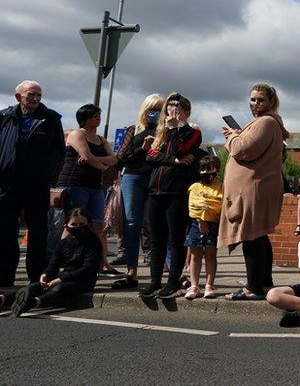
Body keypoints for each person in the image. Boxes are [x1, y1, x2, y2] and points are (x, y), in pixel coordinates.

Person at [220, 83, 289, 301]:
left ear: (270, 102)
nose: (255, 103)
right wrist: (240, 134)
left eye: (260, 100)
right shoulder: (264, 122)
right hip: (255, 188)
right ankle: (263, 283)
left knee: (250, 236)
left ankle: (253, 287)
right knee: (257, 237)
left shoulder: (267, 122)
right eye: (252, 99)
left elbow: (243, 149)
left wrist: (232, 137)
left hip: (254, 190)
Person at [1, 81, 65, 286]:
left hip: (36, 186)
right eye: (31, 95)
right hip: (7, 185)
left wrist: (44, 171)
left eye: (39, 95)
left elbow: (59, 152)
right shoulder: (5, 116)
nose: (36, 98)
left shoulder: (51, 118)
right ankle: (5, 281)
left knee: (38, 233)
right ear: (18, 96)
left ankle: (37, 280)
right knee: (5, 233)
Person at [140, 93, 201, 299]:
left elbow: (182, 149)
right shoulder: (160, 132)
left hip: (176, 192)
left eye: (178, 108)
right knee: (156, 240)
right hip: (155, 191)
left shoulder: (192, 132)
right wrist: (174, 160)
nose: (172, 111)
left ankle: (172, 282)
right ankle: (154, 282)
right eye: (170, 107)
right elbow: (150, 156)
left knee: (175, 240)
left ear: (187, 112)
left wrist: (176, 129)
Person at [111, 94, 164, 289]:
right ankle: (131, 271)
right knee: (131, 223)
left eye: (159, 109)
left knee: (154, 223)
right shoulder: (134, 130)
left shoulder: (165, 131)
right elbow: (121, 159)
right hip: (133, 178)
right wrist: (143, 148)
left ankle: (159, 271)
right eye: (152, 109)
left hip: (155, 179)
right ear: (144, 110)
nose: (154, 113)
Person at [6, 208, 102, 317]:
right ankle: (3, 299)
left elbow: (88, 268)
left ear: (88, 224)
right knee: (35, 287)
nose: (78, 227)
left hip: (84, 280)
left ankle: (34, 302)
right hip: (64, 276)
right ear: (66, 226)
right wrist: (45, 274)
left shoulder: (93, 242)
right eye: (74, 224)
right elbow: (54, 263)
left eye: (82, 224)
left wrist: (60, 279)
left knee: (59, 288)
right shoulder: (64, 242)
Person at [56, 104, 117, 273]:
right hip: (74, 184)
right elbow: (87, 156)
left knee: (98, 224)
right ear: (85, 117)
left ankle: (100, 261)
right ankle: (61, 261)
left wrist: (94, 158)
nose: (98, 118)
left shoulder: (101, 139)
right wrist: (103, 167)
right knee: (72, 224)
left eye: (99, 114)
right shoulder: (77, 134)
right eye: (94, 115)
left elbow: (114, 159)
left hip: (95, 186)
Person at [184, 155, 222, 300]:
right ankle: (194, 285)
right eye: (203, 169)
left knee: (211, 254)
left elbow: (218, 204)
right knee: (195, 255)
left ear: (217, 170)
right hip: (196, 223)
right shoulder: (195, 187)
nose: (206, 172)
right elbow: (193, 205)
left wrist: (207, 213)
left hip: (213, 224)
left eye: (210, 169)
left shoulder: (221, 187)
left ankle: (209, 285)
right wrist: (201, 219)